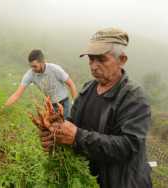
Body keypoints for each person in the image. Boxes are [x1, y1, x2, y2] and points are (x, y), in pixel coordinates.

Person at [39, 28, 152, 188]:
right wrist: (56, 135)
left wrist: (78, 137)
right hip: (88, 180)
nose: (93, 66)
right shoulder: (88, 89)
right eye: (91, 60)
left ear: (122, 59)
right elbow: (72, 125)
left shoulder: (134, 97)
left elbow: (128, 145)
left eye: (101, 60)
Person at [5, 49, 77, 118]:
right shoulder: (30, 74)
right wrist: (4, 107)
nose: (33, 69)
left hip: (64, 102)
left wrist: (75, 104)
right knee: (53, 128)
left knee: (66, 126)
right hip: (51, 105)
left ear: (42, 62)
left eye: (35, 66)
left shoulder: (55, 69)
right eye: (31, 66)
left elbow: (71, 84)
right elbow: (17, 94)